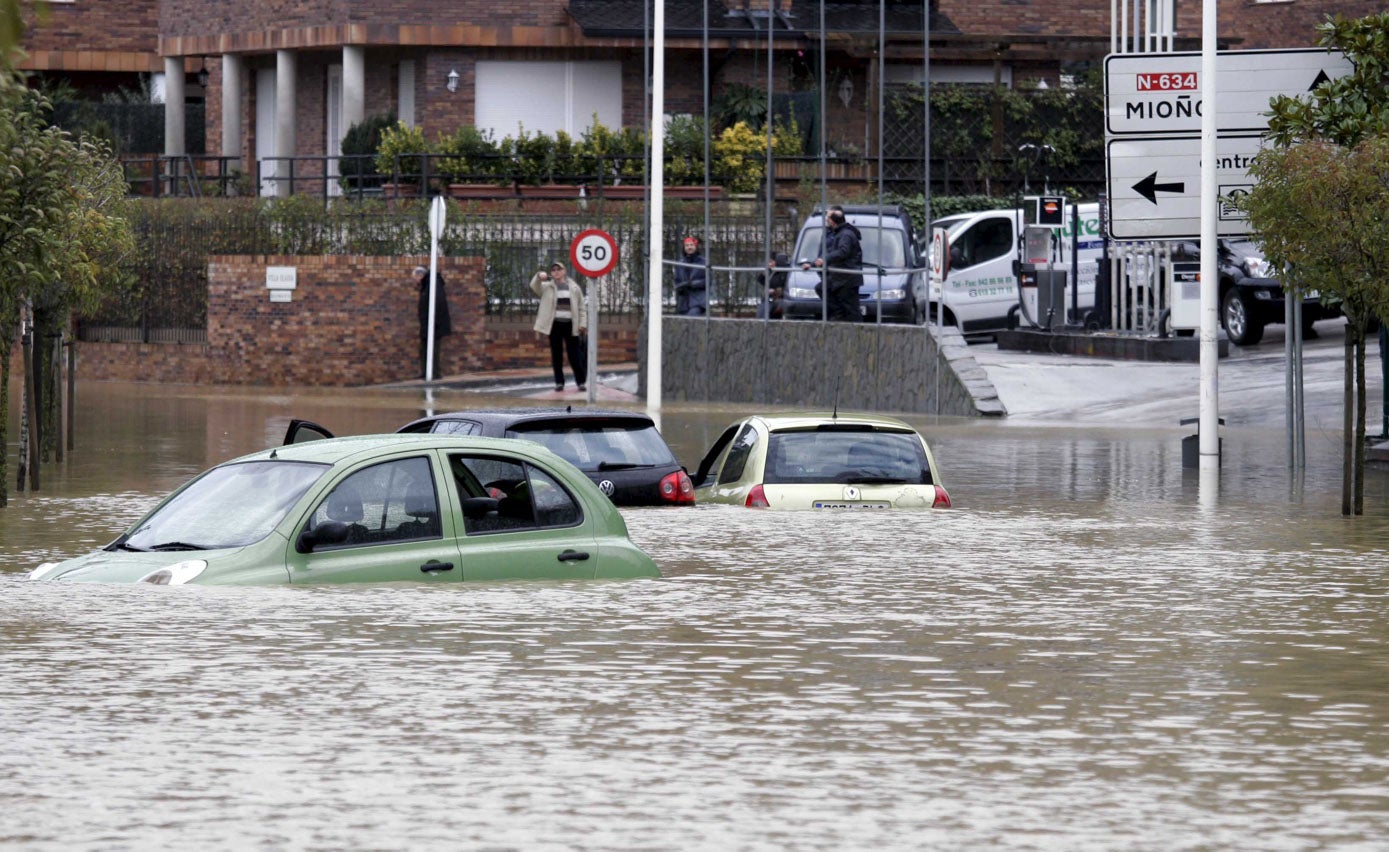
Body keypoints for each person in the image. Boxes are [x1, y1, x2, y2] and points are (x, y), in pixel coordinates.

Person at [530, 261, 588, 392]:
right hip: (555, 325)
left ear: (564, 271)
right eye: (553, 270)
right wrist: (539, 275)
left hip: (571, 325)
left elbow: (581, 308)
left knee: (574, 355)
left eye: (558, 269)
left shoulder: (574, 288)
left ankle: (581, 382)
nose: (556, 271)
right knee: (556, 355)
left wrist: (582, 324)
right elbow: (534, 286)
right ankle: (559, 382)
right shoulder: (546, 287)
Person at [802, 206, 863, 322]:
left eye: (827, 218)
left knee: (851, 309)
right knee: (822, 288)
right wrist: (812, 264)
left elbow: (842, 252)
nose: (826, 221)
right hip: (839, 276)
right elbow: (829, 253)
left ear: (832, 220)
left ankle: (856, 330)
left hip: (847, 276)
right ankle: (839, 314)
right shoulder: (838, 233)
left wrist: (824, 260)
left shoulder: (846, 234)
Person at [414, 265, 452, 379]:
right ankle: (426, 372)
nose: (415, 280)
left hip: (434, 325)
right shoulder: (427, 285)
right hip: (427, 325)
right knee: (424, 348)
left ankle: (434, 373)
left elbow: (437, 304)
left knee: (433, 349)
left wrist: (433, 323)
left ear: (420, 275)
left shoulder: (433, 284)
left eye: (415, 277)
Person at [673, 235, 708, 316]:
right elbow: (676, 280)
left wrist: (692, 284)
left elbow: (707, 281)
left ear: (695, 246)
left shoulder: (703, 262)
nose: (689, 247)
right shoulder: (680, 263)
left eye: (691, 245)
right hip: (683, 303)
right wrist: (681, 286)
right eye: (687, 245)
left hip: (697, 301)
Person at [757, 252, 791, 319]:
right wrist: (766, 271)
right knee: (762, 309)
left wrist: (774, 291)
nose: (771, 263)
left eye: (772, 261)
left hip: (780, 299)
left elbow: (785, 288)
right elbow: (761, 280)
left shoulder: (786, 273)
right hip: (769, 299)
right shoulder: (772, 273)